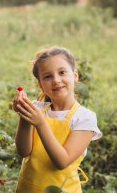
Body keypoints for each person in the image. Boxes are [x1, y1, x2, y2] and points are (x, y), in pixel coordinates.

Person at [13, 47, 102, 193]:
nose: (56, 80)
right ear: (40, 85)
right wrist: (24, 116)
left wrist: (40, 123)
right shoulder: (37, 108)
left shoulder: (84, 118)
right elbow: (23, 151)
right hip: (27, 188)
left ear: (75, 76)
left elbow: (62, 161)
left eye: (62, 72)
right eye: (47, 77)